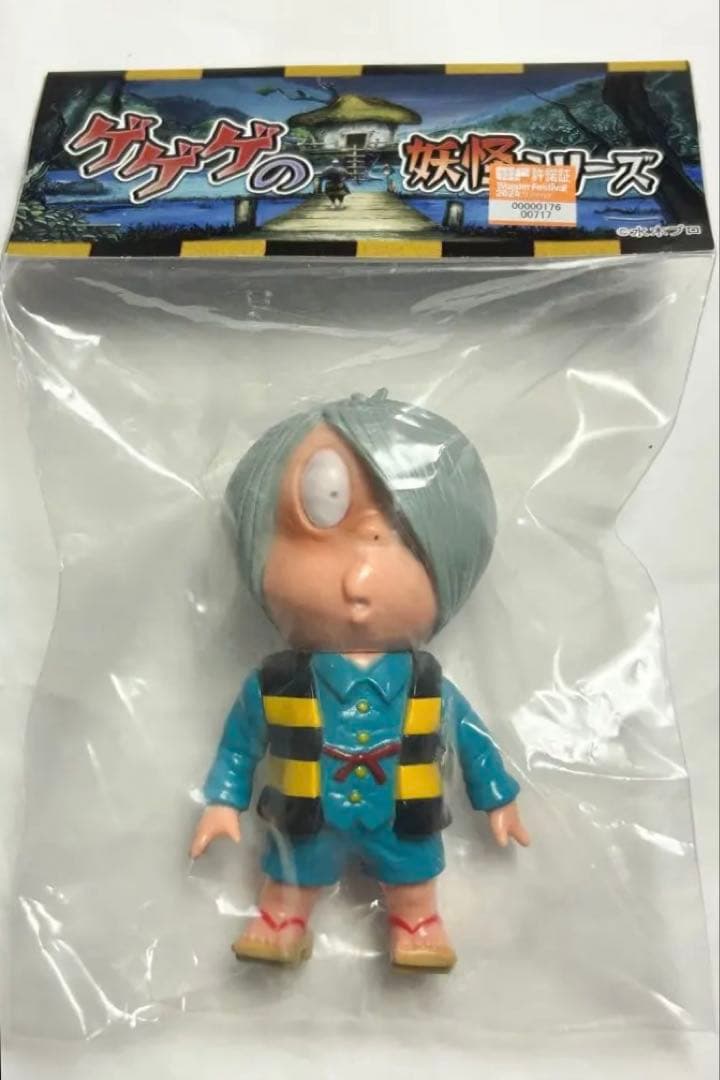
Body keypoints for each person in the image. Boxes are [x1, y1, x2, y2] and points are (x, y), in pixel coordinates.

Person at [190, 389, 529, 970]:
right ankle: (282, 920)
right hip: (305, 816)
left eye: (395, 539)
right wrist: (224, 800)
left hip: (404, 815)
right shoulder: (278, 682)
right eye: (319, 528)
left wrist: (498, 796)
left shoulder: (427, 684)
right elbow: (240, 744)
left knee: (414, 873)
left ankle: (416, 923)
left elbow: (472, 741)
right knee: (291, 872)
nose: (357, 579)